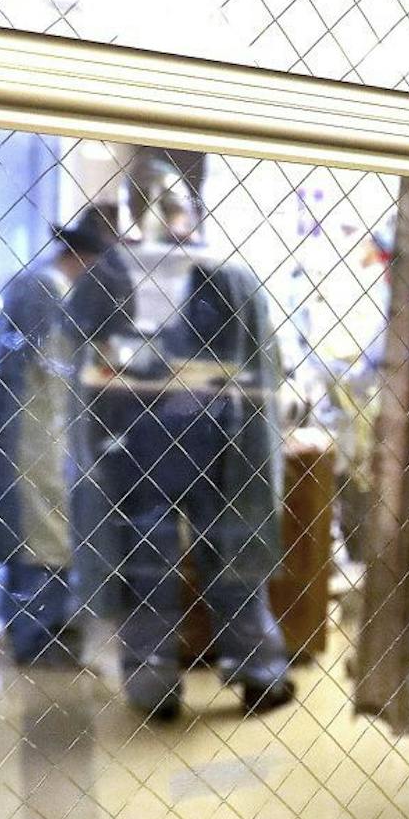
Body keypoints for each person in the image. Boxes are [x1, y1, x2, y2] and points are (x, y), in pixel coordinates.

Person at [98, 260, 292, 719]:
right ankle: (261, 675)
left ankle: (153, 689)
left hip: (163, 451)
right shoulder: (259, 331)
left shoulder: (195, 324)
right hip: (234, 461)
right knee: (236, 571)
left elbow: (162, 369)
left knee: (150, 570)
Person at [0, 205, 134, 667]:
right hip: (34, 430)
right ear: (86, 258)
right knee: (43, 532)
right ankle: (39, 639)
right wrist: (96, 366)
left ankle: (32, 629)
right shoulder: (45, 288)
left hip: (41, 425)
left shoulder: (45, 286)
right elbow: (48, 360)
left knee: (39, 531)